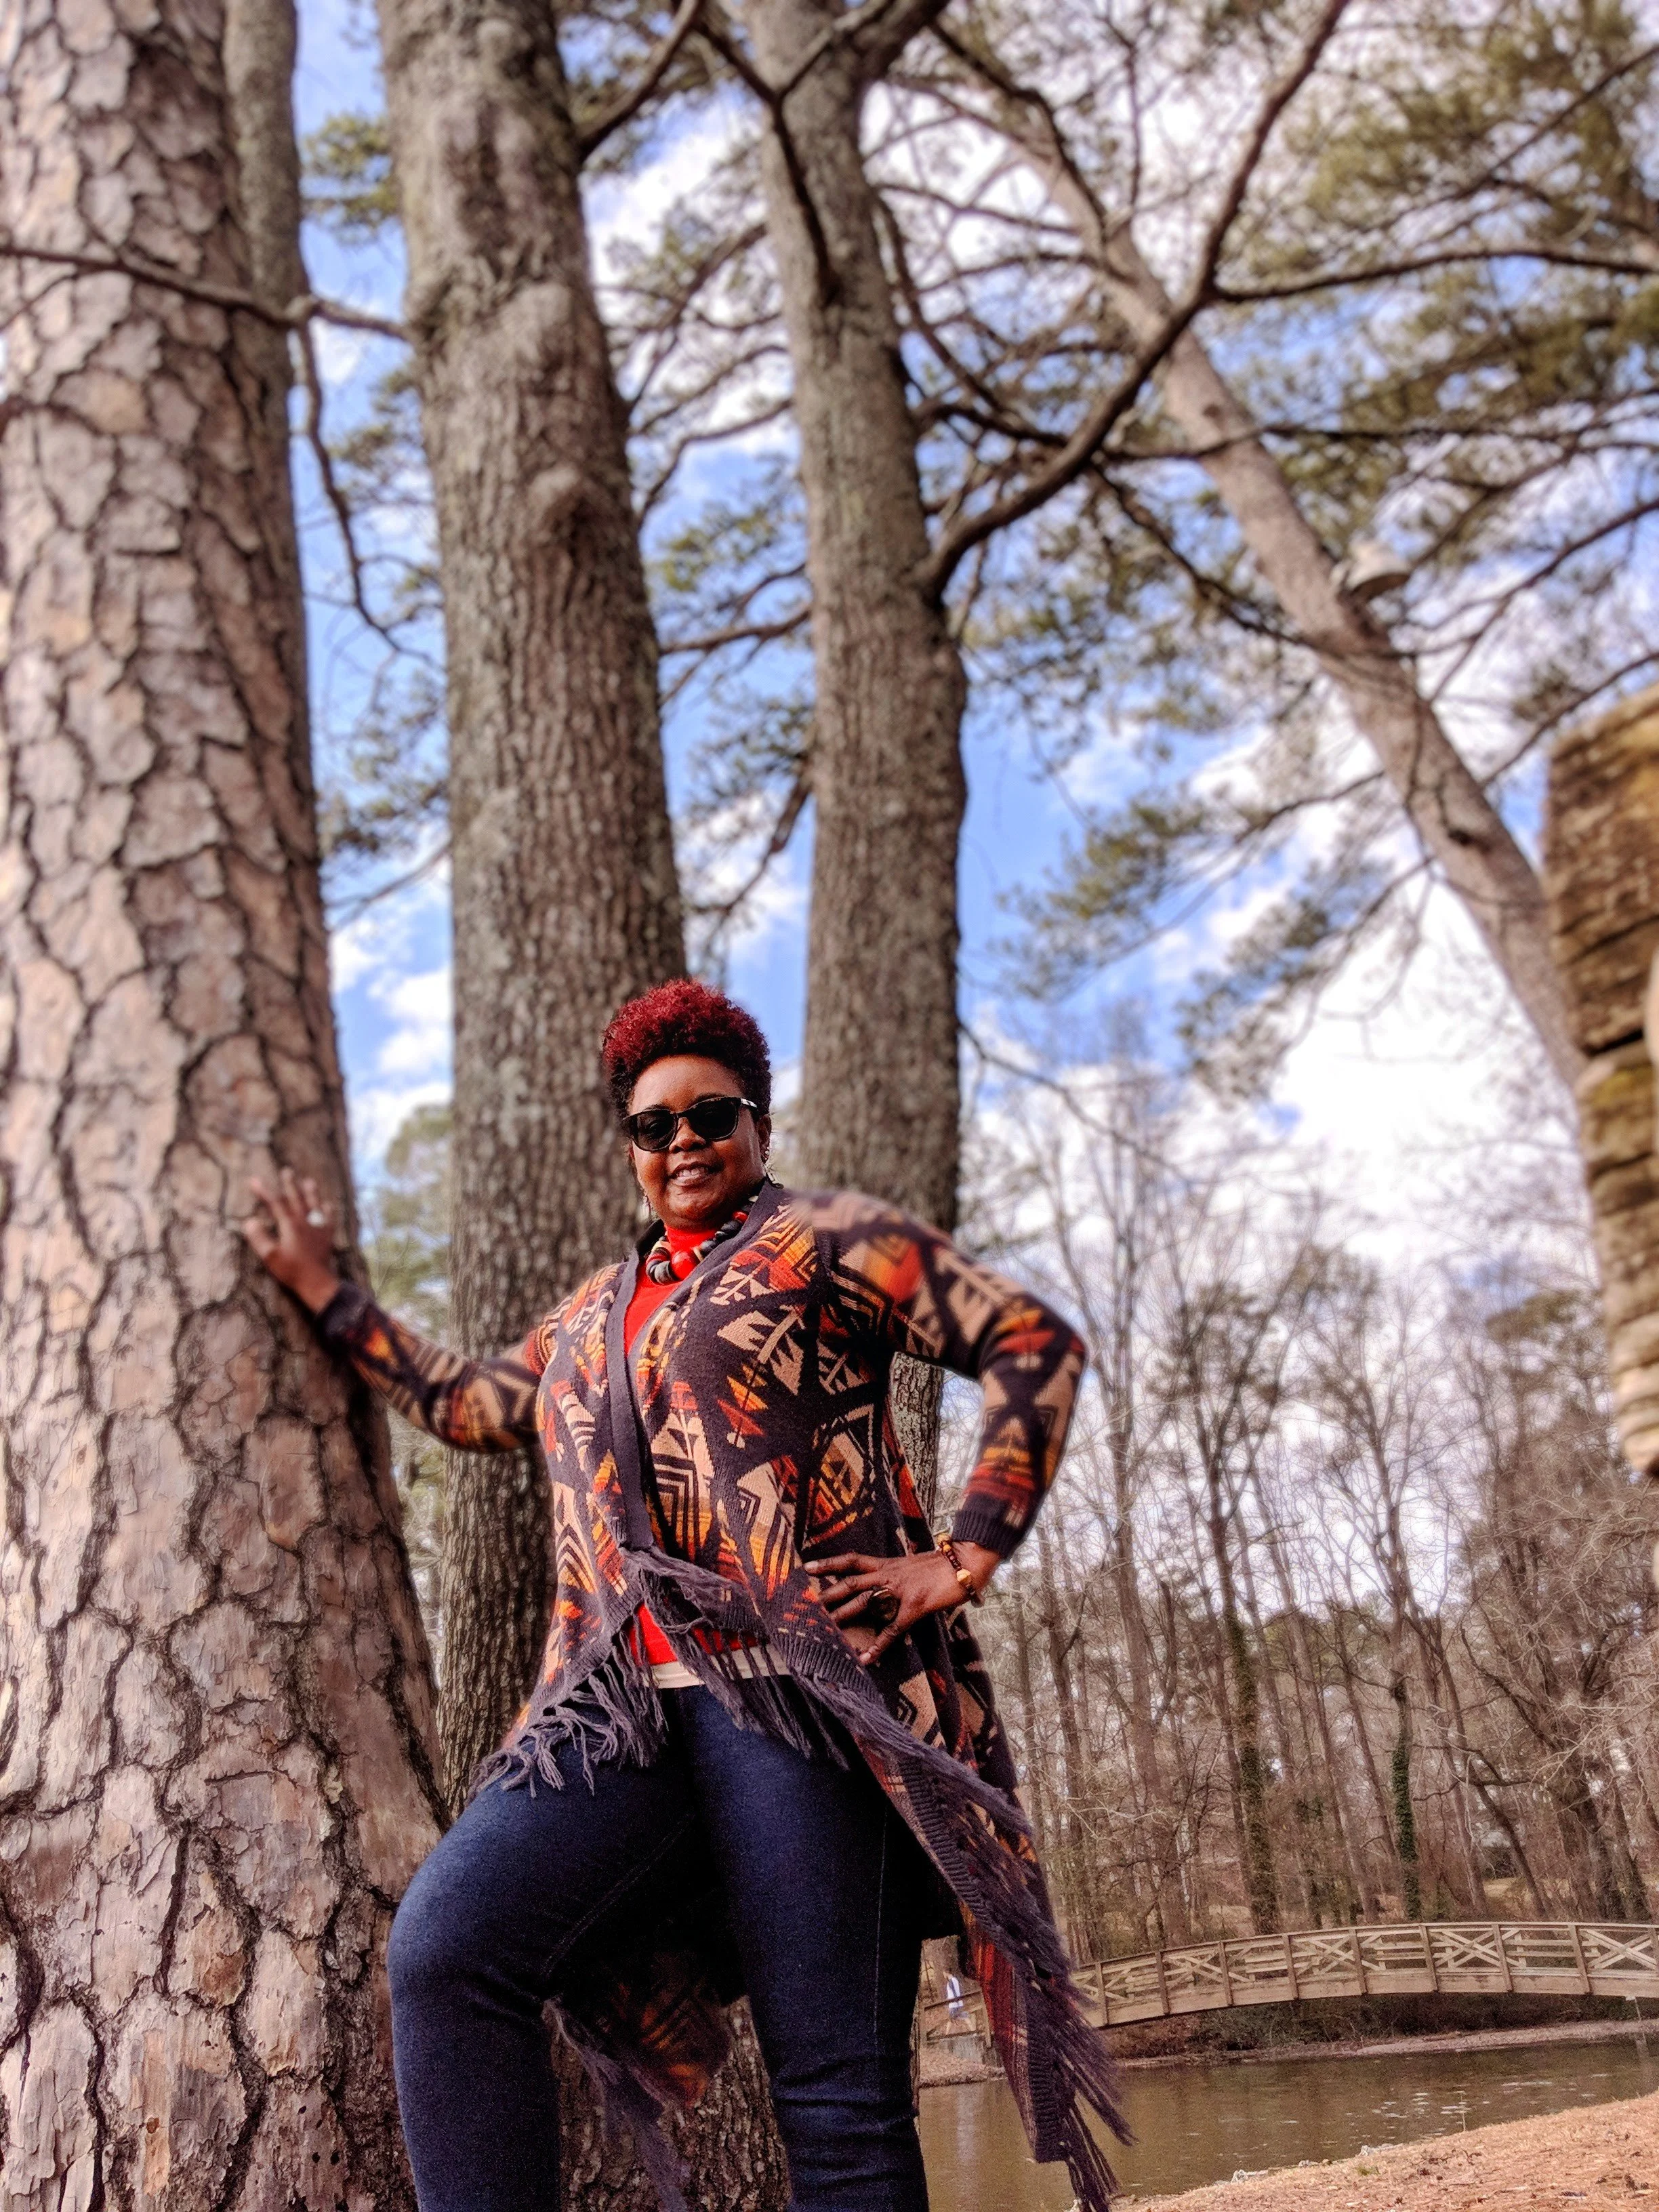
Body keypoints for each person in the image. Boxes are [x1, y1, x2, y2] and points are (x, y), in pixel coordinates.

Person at [244, 979, 1124, 2212]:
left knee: (838, 2099)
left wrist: (963, 1554)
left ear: (758, 1125)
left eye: (713, 1114)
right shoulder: (588, 1318)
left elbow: (1031, 1342)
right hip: (624, 1722)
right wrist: (328, 1293)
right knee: (447, 1952)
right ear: (631, 1152)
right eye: (655, 1126)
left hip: (804, 1706)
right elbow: (465, 1402)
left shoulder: (831, 1241)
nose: (685, 1140)